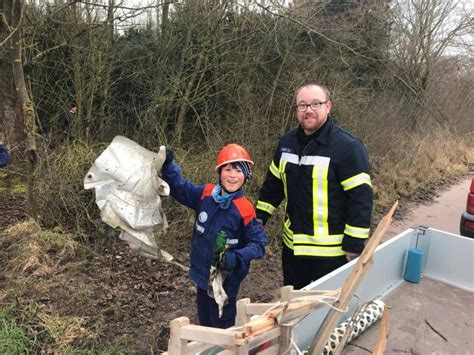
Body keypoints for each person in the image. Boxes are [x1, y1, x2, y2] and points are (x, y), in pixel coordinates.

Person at [256, 83, 373, 289]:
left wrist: (354, 245)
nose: (308, 110)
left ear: (328, 107)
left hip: (330, 254)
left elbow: (361, 199)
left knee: (324, 312)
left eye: (315, 104)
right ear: (297, 110)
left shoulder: (348, 147)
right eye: (302, 105)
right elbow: (272, 186)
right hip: (293, 249)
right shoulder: (286, 143)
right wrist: (259, 217)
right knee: (293, 306)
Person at [159, 143, 267, 328]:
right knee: (205, 323)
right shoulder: (205, 195)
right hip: (201, 277)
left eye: (238, 171)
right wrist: (168, 166)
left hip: (225, 283)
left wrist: (237, 257)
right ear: (219, 172)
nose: (233, 176)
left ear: (246, 176)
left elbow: (259, 243)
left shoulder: (244, 208)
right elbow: (179, 188)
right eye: (228, 169)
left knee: (221, 330)